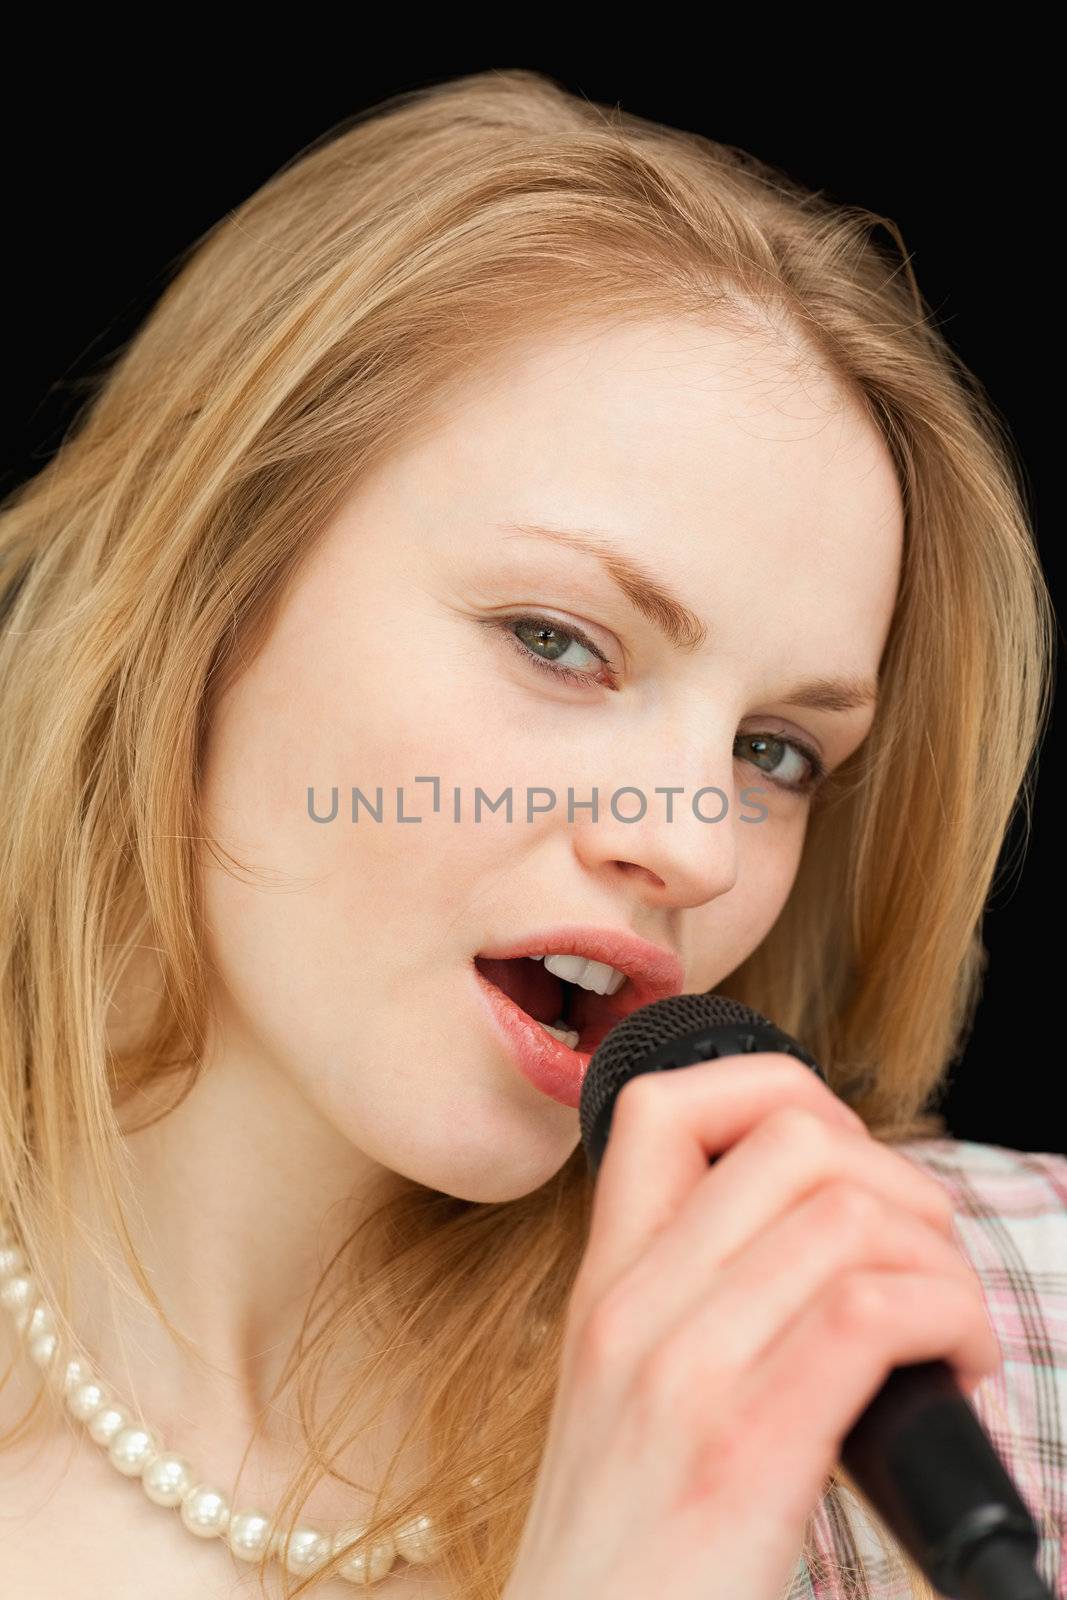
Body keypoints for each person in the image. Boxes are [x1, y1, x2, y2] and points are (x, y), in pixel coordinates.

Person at [0, 68, 1062, 1600]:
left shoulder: (982, 1347)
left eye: (778, 751)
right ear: (206, 596)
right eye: (561, 641)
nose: (698, 846)